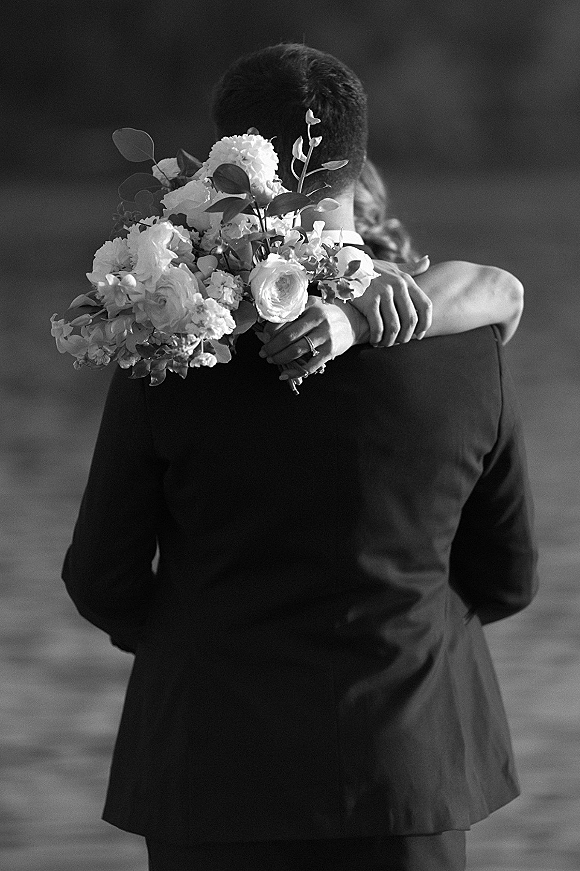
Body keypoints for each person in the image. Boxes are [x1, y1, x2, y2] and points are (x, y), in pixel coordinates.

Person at [62, 44, 538, 871]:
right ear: (359, 156)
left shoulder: (169, 345)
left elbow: (101, 577)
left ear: (223, 162)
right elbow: (507, 577)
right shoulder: (469, 353)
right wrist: (405, 636)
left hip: (213, 779)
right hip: (408, 779)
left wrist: (201, 644)